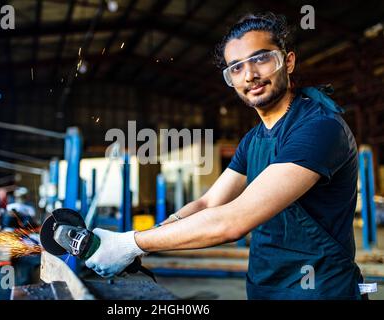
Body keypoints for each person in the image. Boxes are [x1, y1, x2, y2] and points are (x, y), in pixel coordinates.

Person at [83, 13, 366, 300]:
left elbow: (234, 221)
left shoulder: (319, 128)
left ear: (288, 61)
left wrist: (131, 243)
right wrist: (152, 234)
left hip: (321, 291)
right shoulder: (252, 140)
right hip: (264, 288)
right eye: (236, 67)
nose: (249, 75)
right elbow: (208, 202)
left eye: (261, 59)